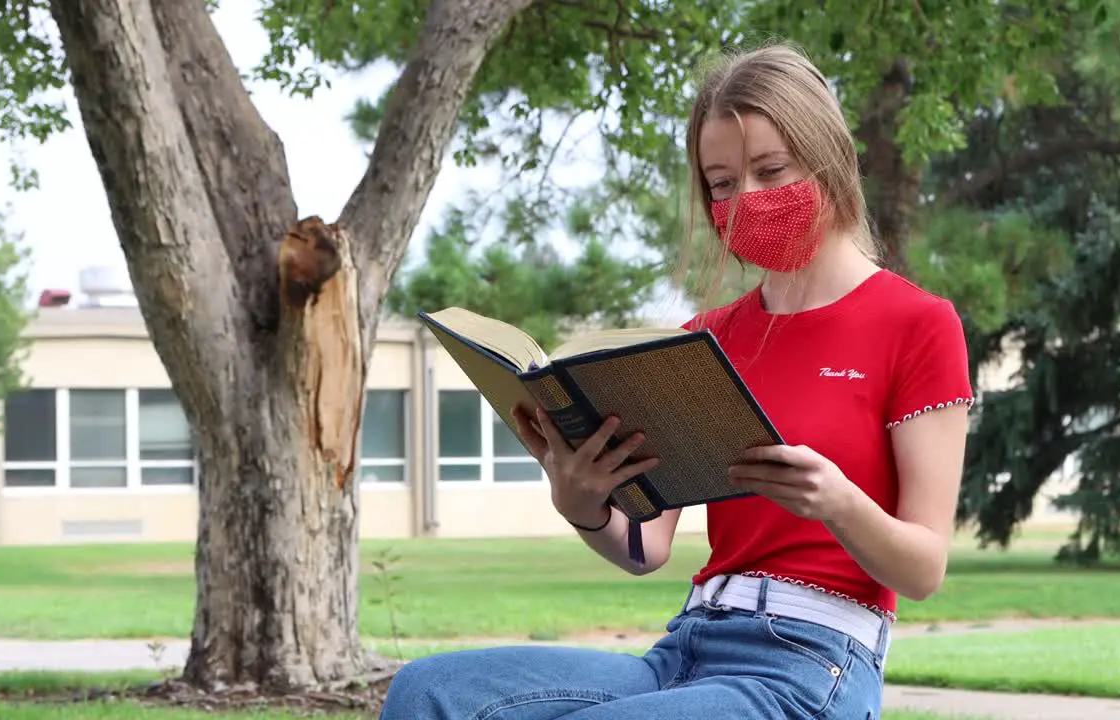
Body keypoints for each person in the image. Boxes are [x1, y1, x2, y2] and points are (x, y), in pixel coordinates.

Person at [380, 41, 973, 720]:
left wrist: (837, 501)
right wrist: (581, 503)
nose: (745, 199)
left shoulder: (917, 324)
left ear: (829, 160)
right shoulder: (705, 338)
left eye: (770, 170)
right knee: (426, 692)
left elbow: (923, 570)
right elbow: (646, 546)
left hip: (816, 660)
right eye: (721, 183)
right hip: (689, 645)